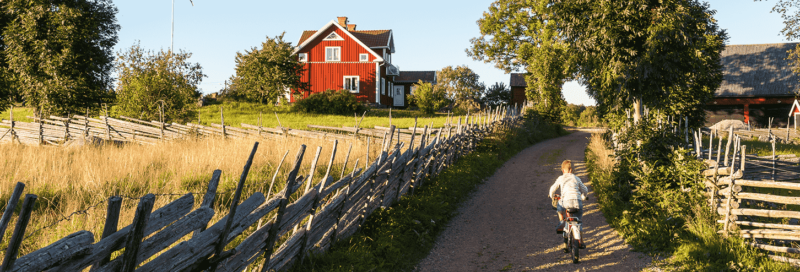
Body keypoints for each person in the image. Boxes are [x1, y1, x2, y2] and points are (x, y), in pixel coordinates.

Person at [548, 160, 589, 248]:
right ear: (571, 170)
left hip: (566, 202)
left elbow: (552, 189)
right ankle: (581, 241)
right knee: (579, 221)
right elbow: (585, 189)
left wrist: (552, 196)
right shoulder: (576, 178)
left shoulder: (561, 178)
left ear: (563, 170)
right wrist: (584, 196)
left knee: (559, 207)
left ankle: (562, 222)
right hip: (577, 202)